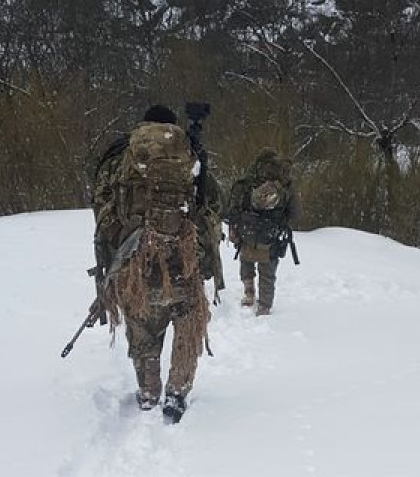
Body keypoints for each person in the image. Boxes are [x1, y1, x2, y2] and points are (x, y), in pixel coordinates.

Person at [91, 104, 213, 423]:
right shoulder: (189, 155)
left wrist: (116, 250)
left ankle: (148, 392)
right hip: (182, 260)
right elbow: (209, 205)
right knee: (187, 323)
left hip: (135, 262)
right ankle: (176, 393)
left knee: (143, 326)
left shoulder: (121, 155)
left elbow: (102, 209)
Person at [225, 147, 301, 316]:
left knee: (246, 260)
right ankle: (264, 306)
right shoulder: (285, 183)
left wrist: (236, 225)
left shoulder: (249, 180)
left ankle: (249, 292)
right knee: (267, 271)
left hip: (248, 229)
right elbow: (295, 213)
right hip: (271, 233)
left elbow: (235, 205)